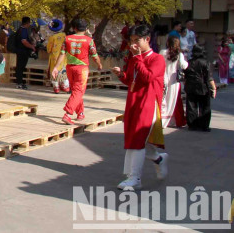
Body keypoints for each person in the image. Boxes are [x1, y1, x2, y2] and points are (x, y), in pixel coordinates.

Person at [111, 24, 168, 190]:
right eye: (131, 41)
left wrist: (137, 58)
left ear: (147, 40)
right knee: (135, 138)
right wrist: (122, 75)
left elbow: (148, 78)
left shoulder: (157, 59)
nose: (133, 44)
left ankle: (134, 178)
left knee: (137, 138)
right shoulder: (134, 58)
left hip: (148, 103)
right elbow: (131, 80)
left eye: (137, 40)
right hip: (133, 101)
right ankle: (158, 159)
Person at [52, 19, 103, 125]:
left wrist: (56, 67)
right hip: (82, 68)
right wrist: (99, 64)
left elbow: (62, 54)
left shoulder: (67, 39)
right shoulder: (89, 40)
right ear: (86, 29)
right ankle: (68, 114)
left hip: (70, 68)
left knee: (76, 90)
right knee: (79, 91)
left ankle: (80, 113)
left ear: (74, 28)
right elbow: (94, 55)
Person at [183, 45, 217, 132]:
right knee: (205, 106)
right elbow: (209, 77)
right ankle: (204, 125)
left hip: (190, 86)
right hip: (203, 87)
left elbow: (185, 76)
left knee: (191, 106)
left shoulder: (189, 62)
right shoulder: (205, 62)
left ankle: (192, 125)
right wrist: (214, 88)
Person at [160, 35, 187, 129]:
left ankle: (162, 120)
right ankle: (175, 120)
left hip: (163, 79)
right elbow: (184, 66)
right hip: (174, 80)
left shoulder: (163, 52)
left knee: (163, 100)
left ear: (168, 43)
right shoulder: (179, 54)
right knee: (175, 101)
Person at [46, 19, 69, 94]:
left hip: (54, 56)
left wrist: (49, 50)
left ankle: (56, 87)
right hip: (63, 55)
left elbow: (49, 48)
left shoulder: (52, 37)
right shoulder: (64, 35)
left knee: (54, 70)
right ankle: (65, 86)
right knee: (63, 70)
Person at [14, 17, 36, 90]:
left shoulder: (19, 30)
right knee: (21, 67)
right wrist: (31, 47)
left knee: (20, 66)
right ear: (27, 23)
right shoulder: (23, 30)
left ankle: (19, 82)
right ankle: (19, 83)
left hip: (19, 50)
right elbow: (24, 41)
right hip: (22, 51)